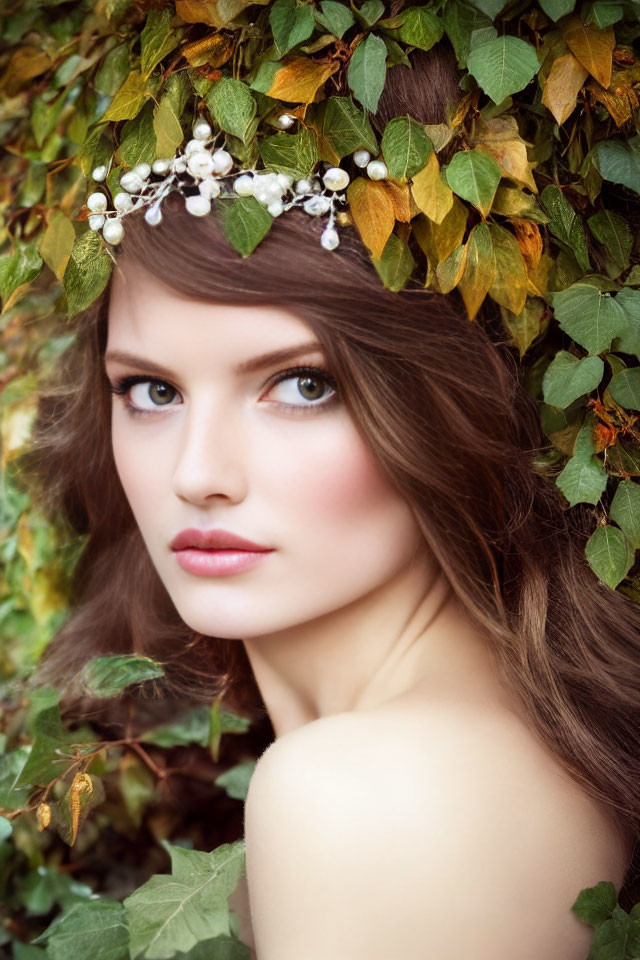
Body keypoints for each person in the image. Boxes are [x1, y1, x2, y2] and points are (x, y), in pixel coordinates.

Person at [24, 45, 640, 960]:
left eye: (303, 385)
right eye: (151, 391)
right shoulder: (499, 737)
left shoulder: (361, 798)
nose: (198, 473)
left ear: (444, 402)